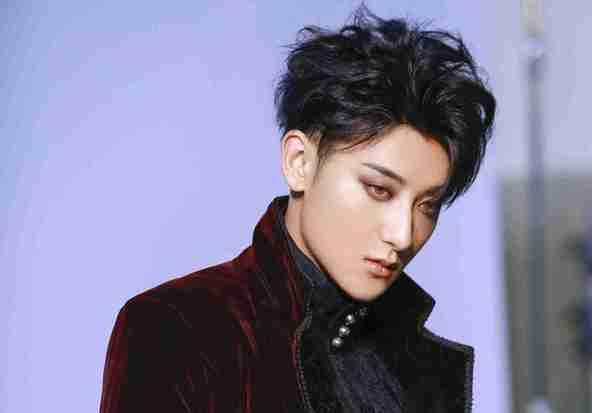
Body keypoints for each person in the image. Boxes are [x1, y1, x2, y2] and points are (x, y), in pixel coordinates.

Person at [99, 5, 495, 413]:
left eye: (427, 205)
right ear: (299, 162)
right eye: (378, 189)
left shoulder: (416, 364)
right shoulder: (177, 330)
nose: (403, 234)